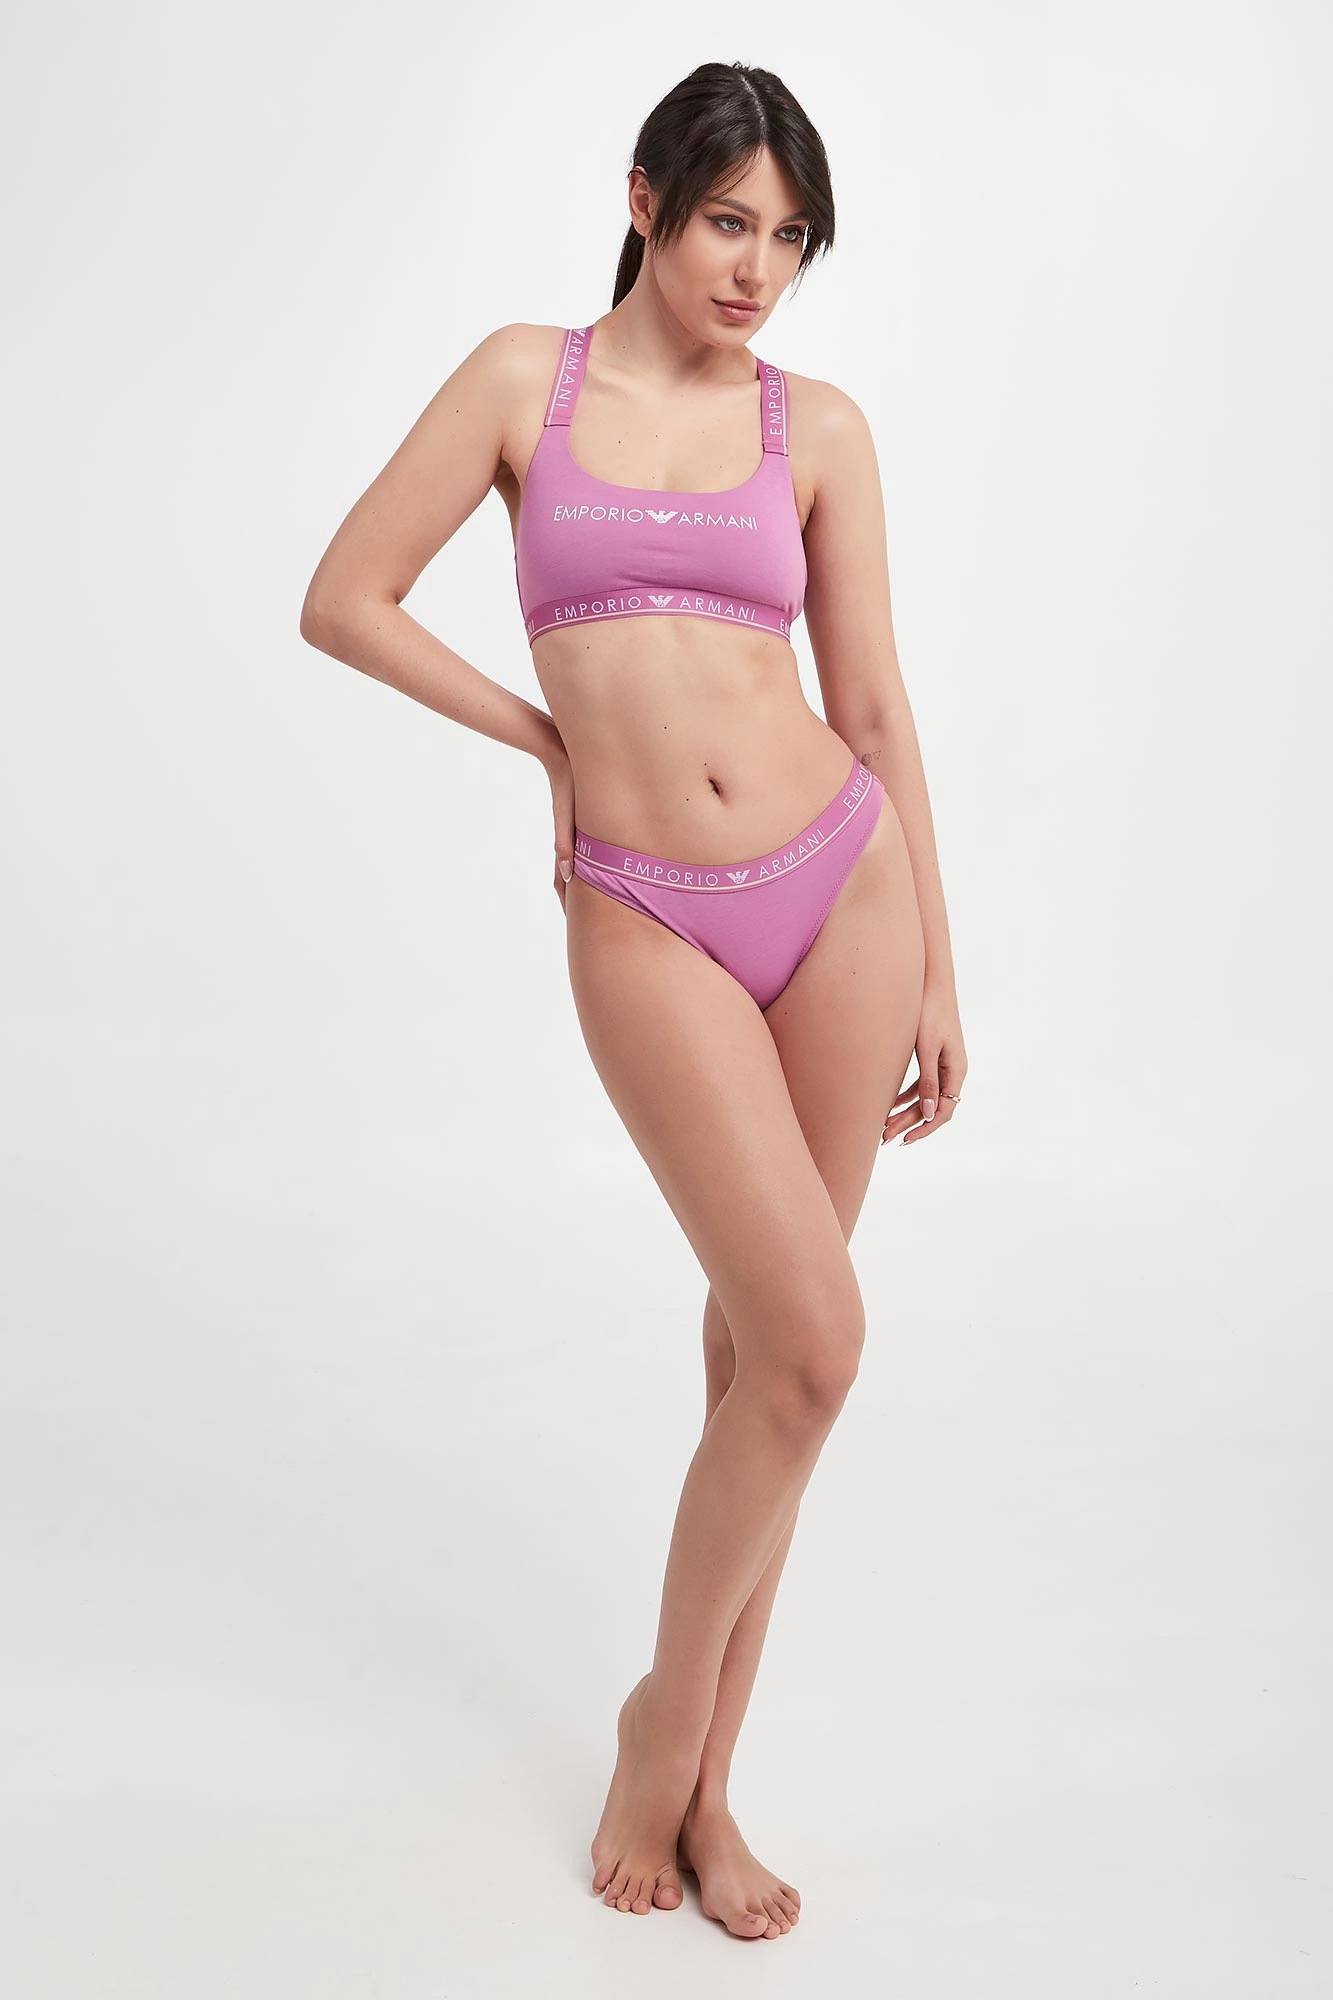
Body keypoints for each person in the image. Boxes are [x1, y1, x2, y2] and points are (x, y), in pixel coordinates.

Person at [300, 59, 967, 1944]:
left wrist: (942, 961)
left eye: (791, 238)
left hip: (843, 890)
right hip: (645, 912)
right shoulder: (526, 382)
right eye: (729, 221)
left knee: (770, 1365)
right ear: (646, 200)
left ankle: (711, 1788)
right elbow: (346, 597)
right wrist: (547, 742)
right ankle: (658, 1733)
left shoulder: (817, 427)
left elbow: (875, 703)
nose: (757, 269)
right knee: (817, 1344)